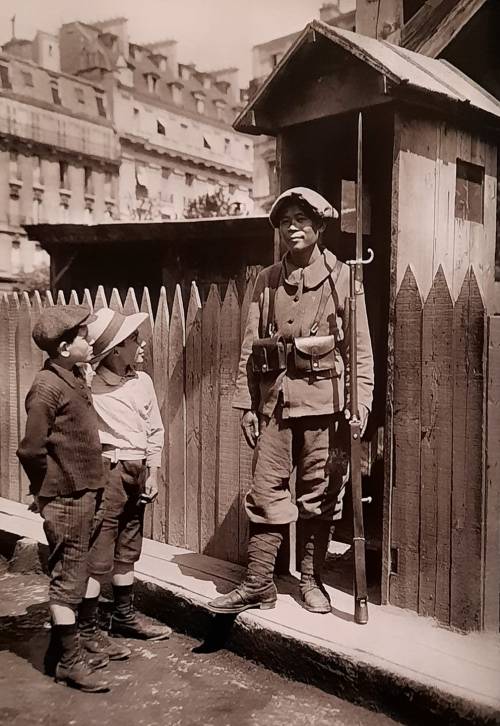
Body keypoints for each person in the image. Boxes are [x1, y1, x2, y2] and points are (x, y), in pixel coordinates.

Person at [207, 187, 374, 616]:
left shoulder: (343, 278)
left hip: (326, 410)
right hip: (276, 407)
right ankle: (258, 583)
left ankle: (311, 580)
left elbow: (360, 354)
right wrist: (246, 404)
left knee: (320, 496)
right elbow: (250, 348)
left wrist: (363, 405)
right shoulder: (266, 281)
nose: (293, 228)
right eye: (285, 222)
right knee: (266, 492)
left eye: (302, 220)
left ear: (319, 227)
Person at [17, 305, 110, 692]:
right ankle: (69, 663)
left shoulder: (73, 375)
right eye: (84, 337)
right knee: (66, 581)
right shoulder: (46, 387)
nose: (90, 342)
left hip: (89, 489)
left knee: (83, 571)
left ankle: (69, 648)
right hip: (68, 497)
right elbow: (31, 450)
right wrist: (46, 490)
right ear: (64, 346)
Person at [77, 307, 171, 662]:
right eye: (133, 339)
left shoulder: (142, 381)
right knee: (100, 550)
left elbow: (155, 429)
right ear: (115, 349)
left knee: (129, 546)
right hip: (109, 472)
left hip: (137, 471)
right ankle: (87, 631)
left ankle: (124, 615)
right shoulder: (91, 386)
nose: (141, 343)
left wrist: (154, 470)